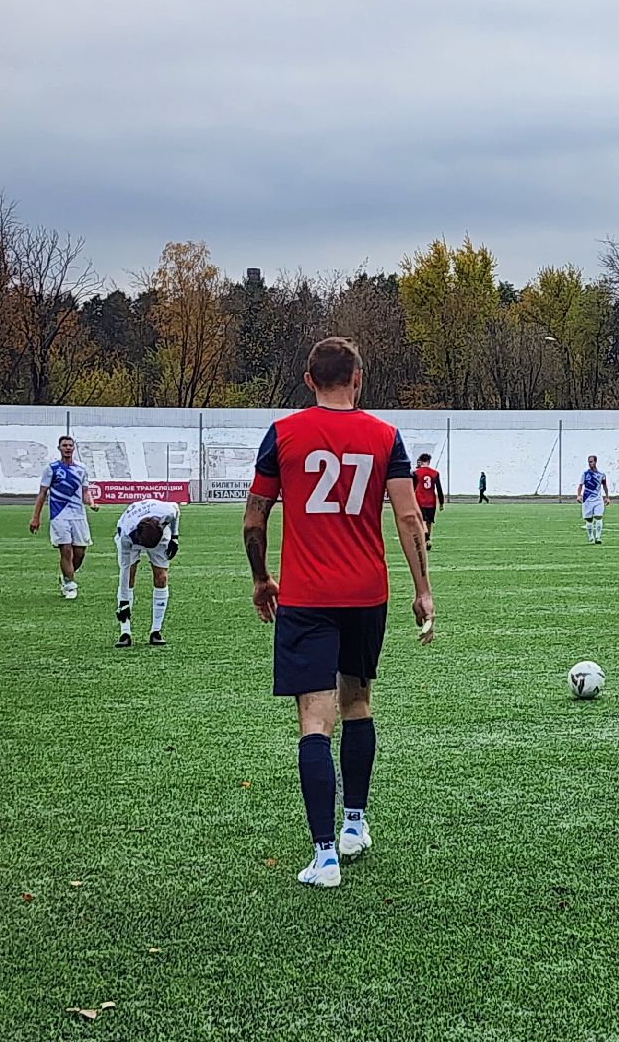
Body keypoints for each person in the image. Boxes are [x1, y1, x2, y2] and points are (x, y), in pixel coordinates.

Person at [242, 336, 434, 890]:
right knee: (358, 703)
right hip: (367, 594)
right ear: (357, 378)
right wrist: (424, 590)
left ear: (308, 380)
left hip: (305, 597)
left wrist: (261, 580)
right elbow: (408, 521)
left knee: (314, 722)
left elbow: (255, 520)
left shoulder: (282, 435)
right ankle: (355, 824)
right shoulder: (385, 437)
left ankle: (324, 857)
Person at [28, 435, 101, 600]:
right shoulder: (51, 469)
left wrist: (91, 503)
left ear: (73, 448)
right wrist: (35, 517)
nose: (67, 448)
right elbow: (42, 494)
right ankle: (69, 585)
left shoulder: (81, 469)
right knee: (66, 550)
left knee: (80, 553)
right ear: (59, 448)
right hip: (59, 515)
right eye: (64, 445)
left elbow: (85, 491)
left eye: (70, 445)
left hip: (78, 516)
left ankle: (66, 576)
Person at [114, 497, 180, 648]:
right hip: (133, 535)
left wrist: (174, 538)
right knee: (129, 576)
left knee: (161, 578)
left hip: (157, 535)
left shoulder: (167, 513)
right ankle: (125, 633)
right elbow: (124, 572)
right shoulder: (125, 534)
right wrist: (123, 603)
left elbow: (176, 508)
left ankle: (156, 632)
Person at [411, 454, 445, 550]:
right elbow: (439, 489)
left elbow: (412, 488)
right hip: (431, 501)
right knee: (429, 522)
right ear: (429, 462)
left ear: (421, 462)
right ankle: (427, 541)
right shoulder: (435, 473)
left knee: (422, 521)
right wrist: (441, 503)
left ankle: (426, 538)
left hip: (420, 500)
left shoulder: (416, 473)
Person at [578, 456, 609, 544]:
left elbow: (604, 485)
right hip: (587, 499)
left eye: (591, 462)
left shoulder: (601, 474)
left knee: (599, 517)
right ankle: (591, 537)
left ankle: (598, 537)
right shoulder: (585, 474)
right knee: (589, 519)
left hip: (598, 499)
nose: (590, 464)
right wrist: (579, 495)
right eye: (589, 462)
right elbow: (580, 485)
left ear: (595, 462)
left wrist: (607, 497)